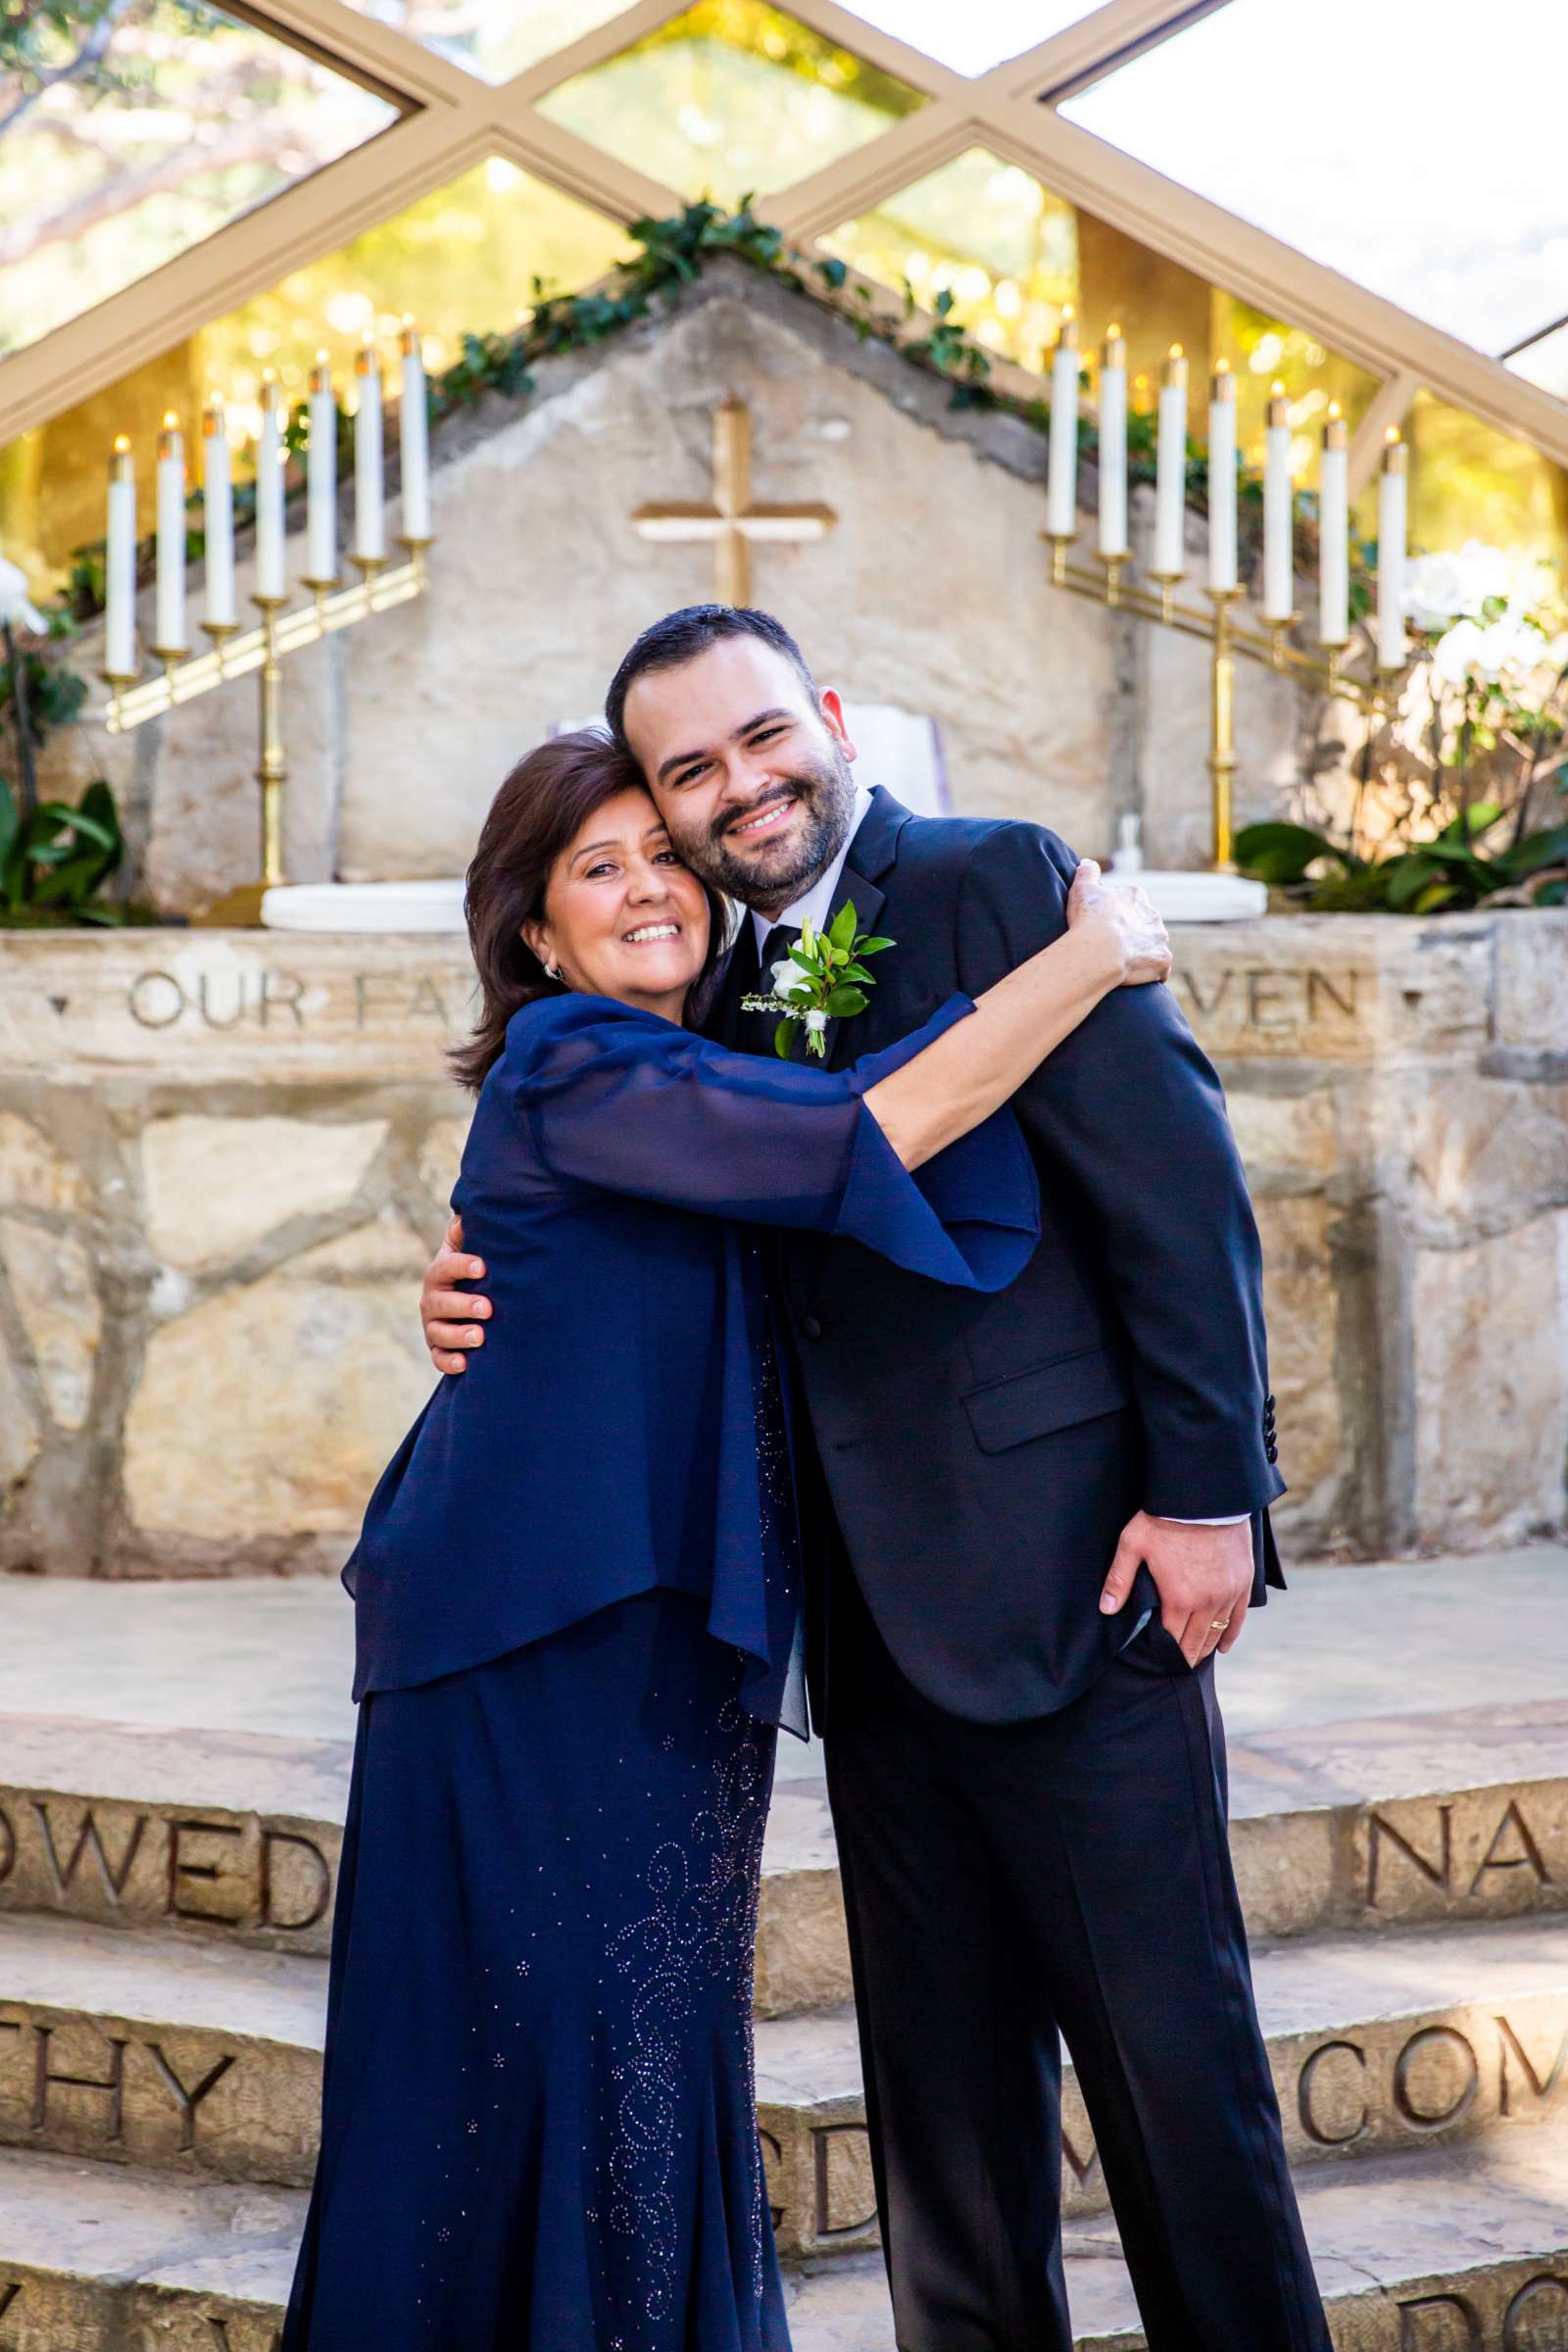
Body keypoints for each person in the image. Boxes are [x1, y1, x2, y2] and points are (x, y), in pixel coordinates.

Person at [424, 608, 1334, 2352]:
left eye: (761, 739)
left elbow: (1177, 1194)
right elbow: (655, 1206)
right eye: (689, 771)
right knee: (945, 2128)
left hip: (1085, 1587)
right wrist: (472, 1283)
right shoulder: (711, 980)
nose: (739, 788)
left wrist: (1212, 1494)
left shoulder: (1003, 885)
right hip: (865, 1620)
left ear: (829, 719)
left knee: (1174, 2086)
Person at [284, 724, 1170, 2352]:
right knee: (553, 2041)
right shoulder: (574, 1060)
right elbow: (863, 1140)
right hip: (533, 1632)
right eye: (593, 869)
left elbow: (808, 1168)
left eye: (662, 858)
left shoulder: (701, 1078)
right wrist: (1087, 955)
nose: (644, 889)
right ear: (536, 934)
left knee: (649, 2040)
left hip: (668, 1633)